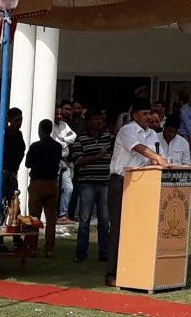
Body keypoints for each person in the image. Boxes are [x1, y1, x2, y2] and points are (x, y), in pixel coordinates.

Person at [105, 101, 169, 286]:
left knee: (139, 228)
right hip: (121, 182)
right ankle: (111, 273)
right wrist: (156, 157)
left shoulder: (154, 135)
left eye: (150, 113)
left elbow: (161, 155)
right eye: (145, 113)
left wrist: (160, 160)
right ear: (135, 116)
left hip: (144, 183)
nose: (149, 117)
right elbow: (138, 147)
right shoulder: (127, 130)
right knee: (118, 228)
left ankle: (135, 270)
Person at [69, 109, 113, 263]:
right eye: (95, 119)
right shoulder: (80, 139)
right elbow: (78, 161)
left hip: (105, 182)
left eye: (100, 119)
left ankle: (104, 253)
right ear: (88, 121)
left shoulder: (108, 137)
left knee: (104, 220)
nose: (99, 122)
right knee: (85, 219)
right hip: (87, 183)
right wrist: (97, 156)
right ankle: (81, 253)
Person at [25, 119, 62, 257]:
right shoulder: (57, 146)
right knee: (51, 218)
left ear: (40, 130)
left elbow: (28, 164)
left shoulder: (35, 146)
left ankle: (32, 247)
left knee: (34, 217)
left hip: (37, 183)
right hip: (52, 183)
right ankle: (49, 248)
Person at [52, 100, 77, 223]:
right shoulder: (51, 125)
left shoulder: (64, 125)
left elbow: (73, 137)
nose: (59, 116)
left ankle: (63, 214)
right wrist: (64, 142)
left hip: (65, 160)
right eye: (57, 114)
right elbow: (54, 142)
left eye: (60, 114)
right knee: (55, 188)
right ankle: (53, 214)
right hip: (55, 160)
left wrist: (63, 140)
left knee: (68, 187)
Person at [2, 107, 25, 205]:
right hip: (4, 172)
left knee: (13, 201)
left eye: (20, 120)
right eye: (16, 120)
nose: (19, 123)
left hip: (13, 172)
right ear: (10, 120)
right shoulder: (4, 134)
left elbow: (21, 150)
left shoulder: (19, 134)